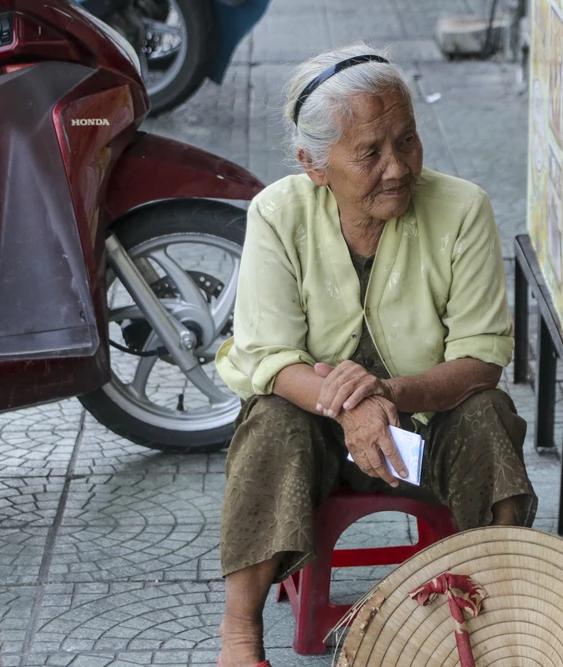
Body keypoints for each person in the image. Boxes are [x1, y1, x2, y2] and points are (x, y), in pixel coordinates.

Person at [213, 43, 538, 667]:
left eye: (408, 141)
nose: (398, 167)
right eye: (369, 152)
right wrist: (350, 412)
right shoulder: (278, 213)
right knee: (268, 424)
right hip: (317, 437)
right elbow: (269, 355)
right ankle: (240, 638)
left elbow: (482, 358)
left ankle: (503, 613)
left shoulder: (461, 209)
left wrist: (391, 395)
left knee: (489, 414)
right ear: (314, 164)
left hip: (424, 431)